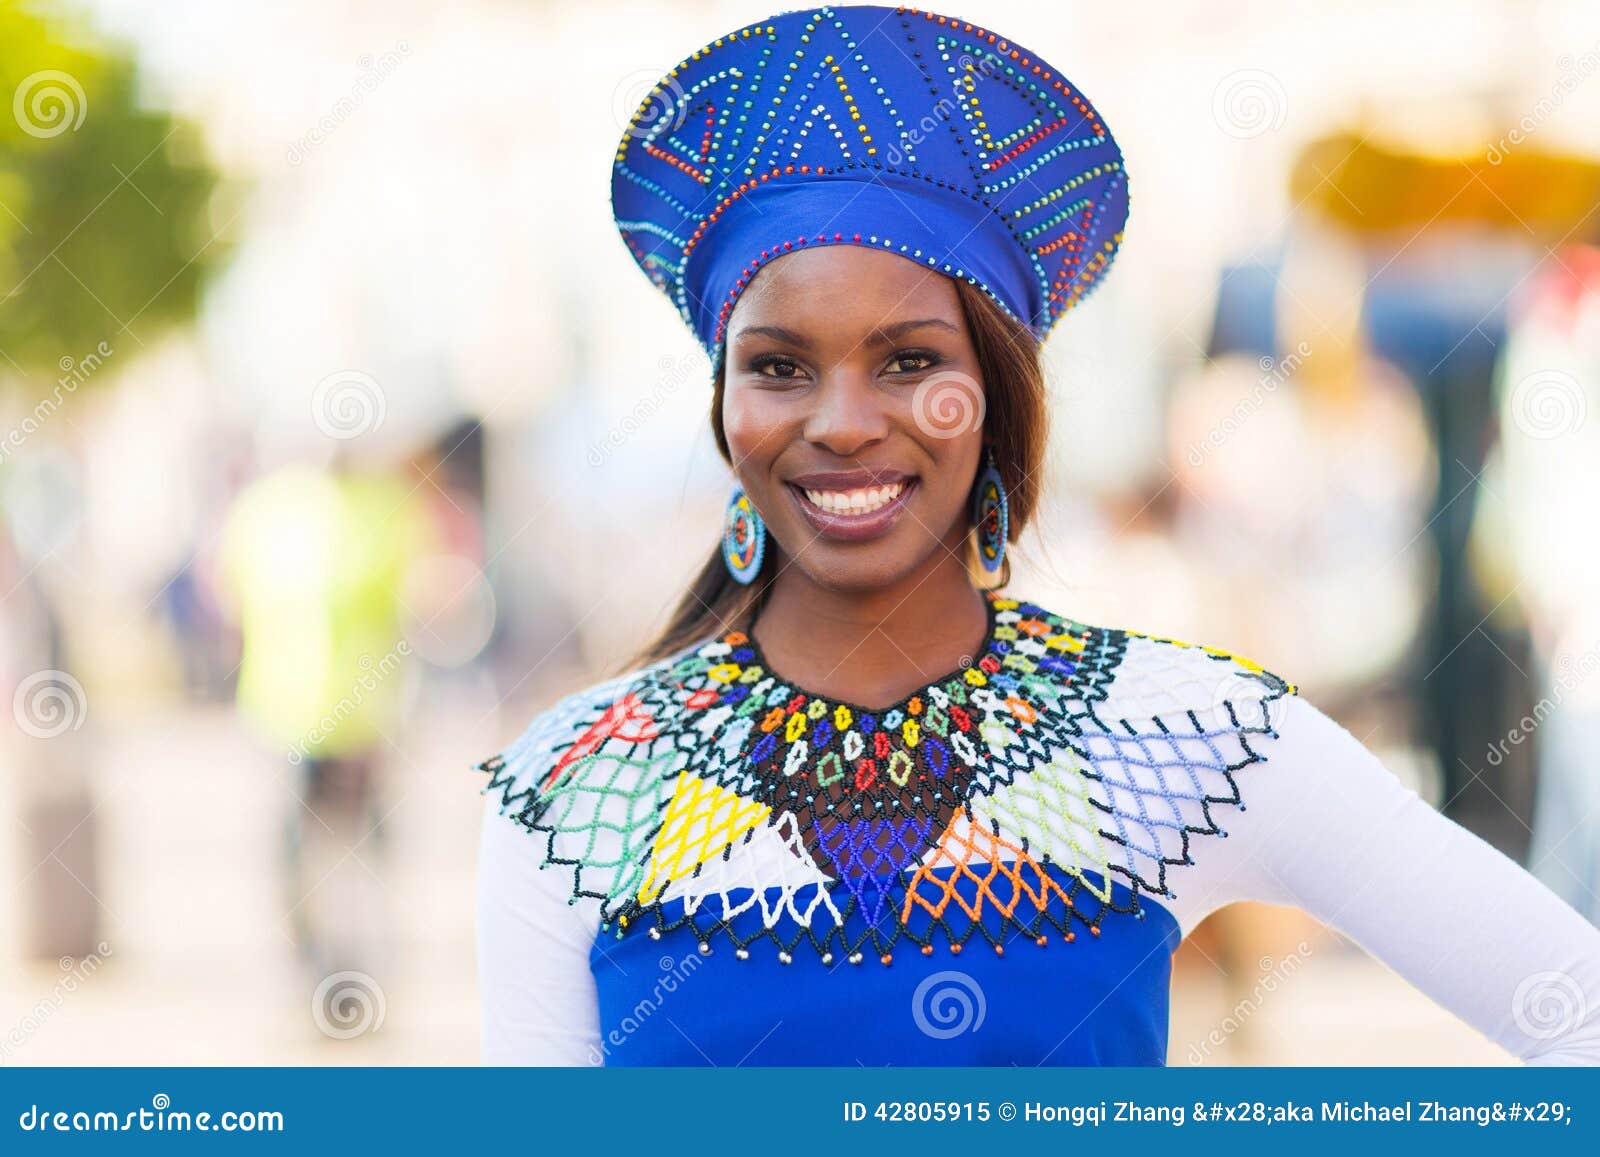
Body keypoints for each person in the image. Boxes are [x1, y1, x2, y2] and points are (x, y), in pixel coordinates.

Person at [475, 4, 1600, 1065]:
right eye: (779, 367)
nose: (841, 421)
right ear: (726, 409)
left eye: (910, 361)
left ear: (998, 397)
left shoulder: (1185, 737)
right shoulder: (571, 791)